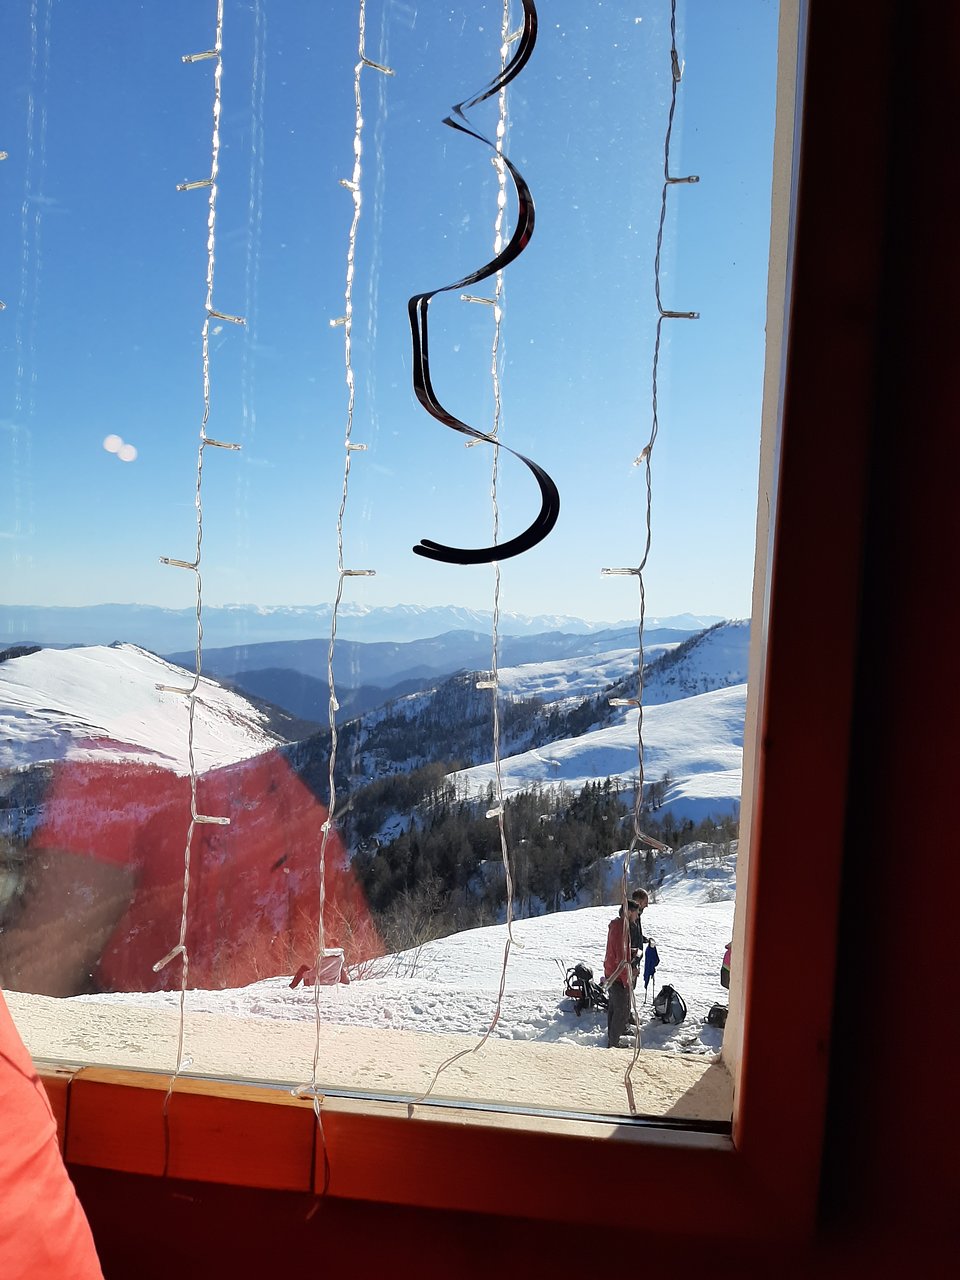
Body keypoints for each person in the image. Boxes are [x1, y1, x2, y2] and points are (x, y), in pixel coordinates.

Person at [604, 900, 640, 1048]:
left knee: (613, 1007)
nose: (637, 917)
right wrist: (630, 975)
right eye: (636, 913)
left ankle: (612, 1038)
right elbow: (621, 958)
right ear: (630, 912)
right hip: (617, 975)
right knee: (622, 1011)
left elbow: (620, 951)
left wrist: (631, 952)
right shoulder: (621, 930)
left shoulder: (618, 926)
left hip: (611, 972)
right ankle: (613, 1043)